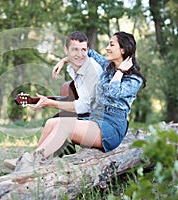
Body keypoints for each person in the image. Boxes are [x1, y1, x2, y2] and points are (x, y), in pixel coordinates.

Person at [12, 31, 147, 172]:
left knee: (65, 126)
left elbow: (112, 92)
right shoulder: (109, 66)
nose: (107, 48)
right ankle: (34, 160)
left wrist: (120, 72)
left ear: (123, 49)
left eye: (111, 44)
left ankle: (30, 165)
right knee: (52, 122)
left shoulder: (133, 79)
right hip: (95, 118)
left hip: (111, 127)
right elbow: (88, 53)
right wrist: (64, 60)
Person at [4, 31, 102, 170]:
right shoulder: (78, 67)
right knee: (51, 122)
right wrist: (64, 60)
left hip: (97, 119)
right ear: (66, 50)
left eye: (83, 50)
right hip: (88, 114)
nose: (80, 54)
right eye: (75, 49)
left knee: (61, 122)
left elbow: (84, 107)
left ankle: (31, 162)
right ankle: (35, 164)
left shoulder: (90, 70)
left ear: (88, 50)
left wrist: (50, 103)